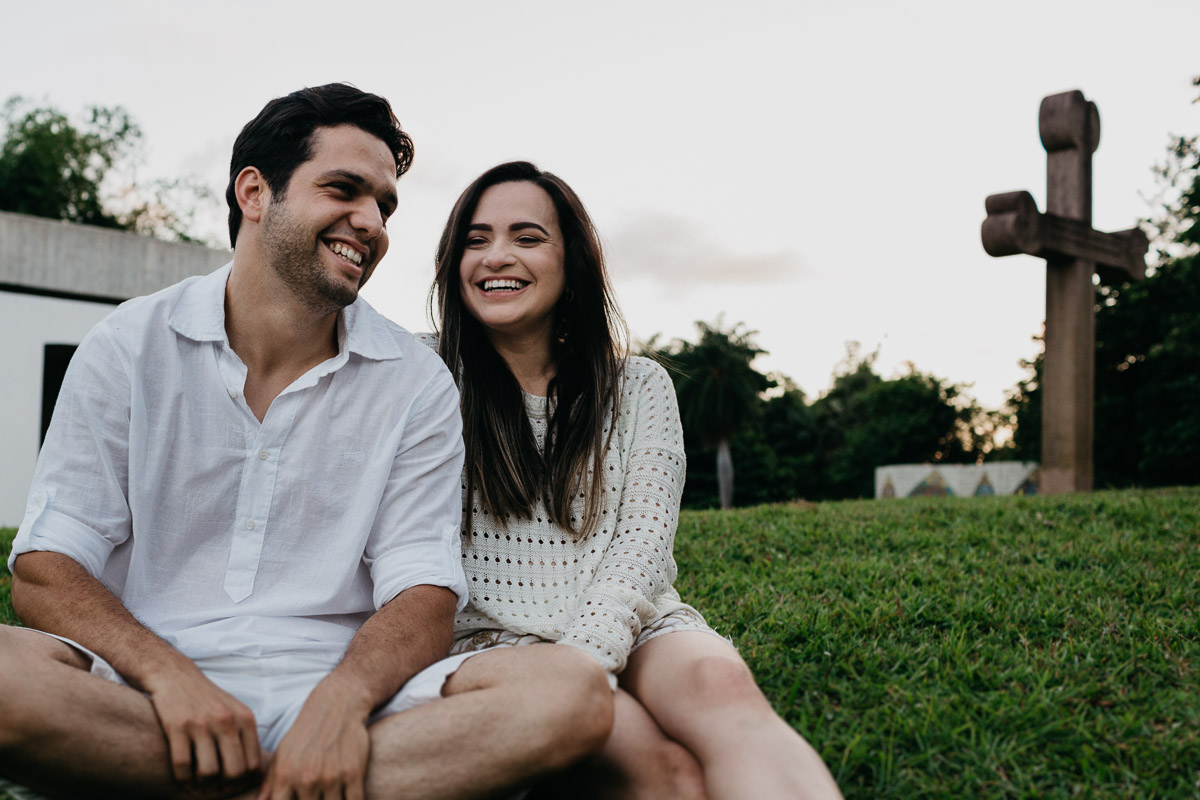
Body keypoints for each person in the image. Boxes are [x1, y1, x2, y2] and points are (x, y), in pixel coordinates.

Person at [0, 87, 612, 800]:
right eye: (344, 190)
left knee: (570, 693)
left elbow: (423, 593)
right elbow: (46, 568)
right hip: (145, 697)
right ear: (255, 193)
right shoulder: (127, 346)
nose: (371, 222)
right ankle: (304, 790)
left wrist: (342, 702)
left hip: (356, 706)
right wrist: (169, 677)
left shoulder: (415, 382)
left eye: (384, 204)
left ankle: (243, 780)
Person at [426, 160, 843, 799]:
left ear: (572, 264)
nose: (496, 256)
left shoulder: (638, 385)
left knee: (724, 691)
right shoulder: (421, 379)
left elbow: (643, 544)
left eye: (527, 237)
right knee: (665, 771)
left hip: (636, 619)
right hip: (498, 639)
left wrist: (586, 656)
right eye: (476, 240)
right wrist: (572, 679)